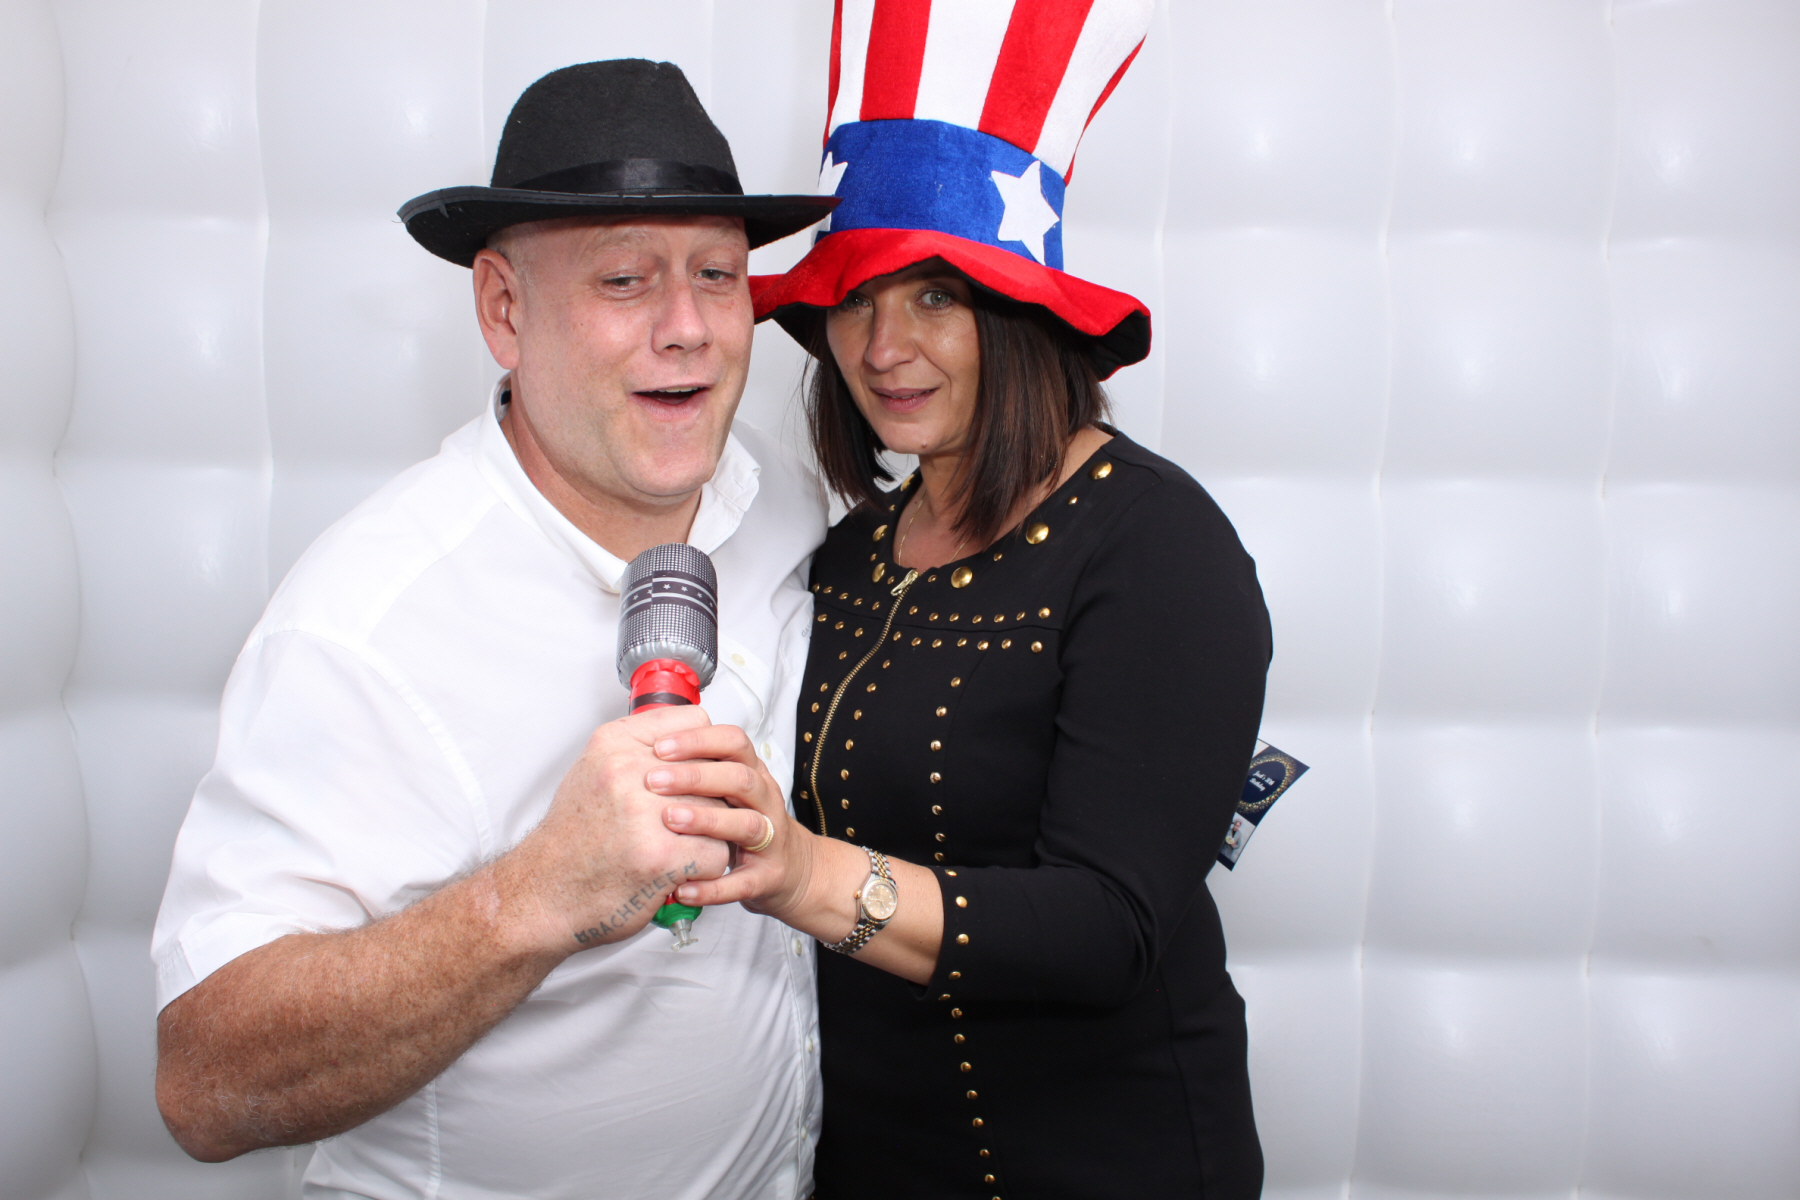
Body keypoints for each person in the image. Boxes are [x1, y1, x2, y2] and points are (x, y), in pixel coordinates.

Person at [150, 60, 837, 1199]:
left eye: (717, 274)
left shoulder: (784, 501)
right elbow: (204, 1085)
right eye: (625, 279)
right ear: (504, 310)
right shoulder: (362, 623)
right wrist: (536, 897)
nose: (687, 329)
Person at [635, 4, 1271, 1196]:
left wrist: (803, 874)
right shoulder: (849, 553)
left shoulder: (1157, 545)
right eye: (857, 300)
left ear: (1022, 306)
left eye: (934, 295)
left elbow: (1110, 929)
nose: (883, 347)